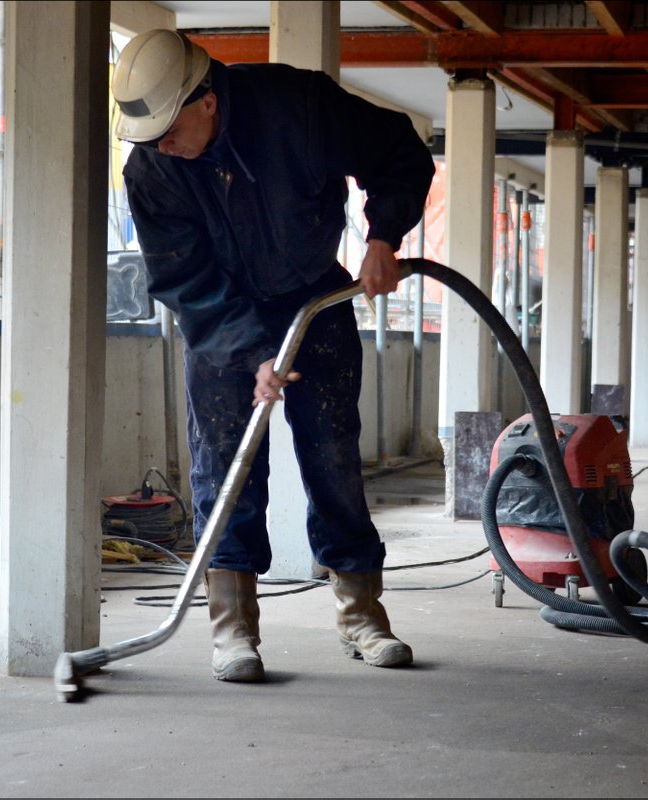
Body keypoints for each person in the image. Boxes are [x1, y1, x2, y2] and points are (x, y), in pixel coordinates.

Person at [111, 29, 435, 683]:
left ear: (206, 100)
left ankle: (361, 615)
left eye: (169, 131)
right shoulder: (152, 167)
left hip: (316, 295)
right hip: (221, 317)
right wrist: (247, 350)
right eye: (149, 140)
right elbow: (182, 279)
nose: (161, 147)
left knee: (333, 457)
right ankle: (233, 631)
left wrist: (383, 239)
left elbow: (398, 151)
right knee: (223, 471)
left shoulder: (299, 108)